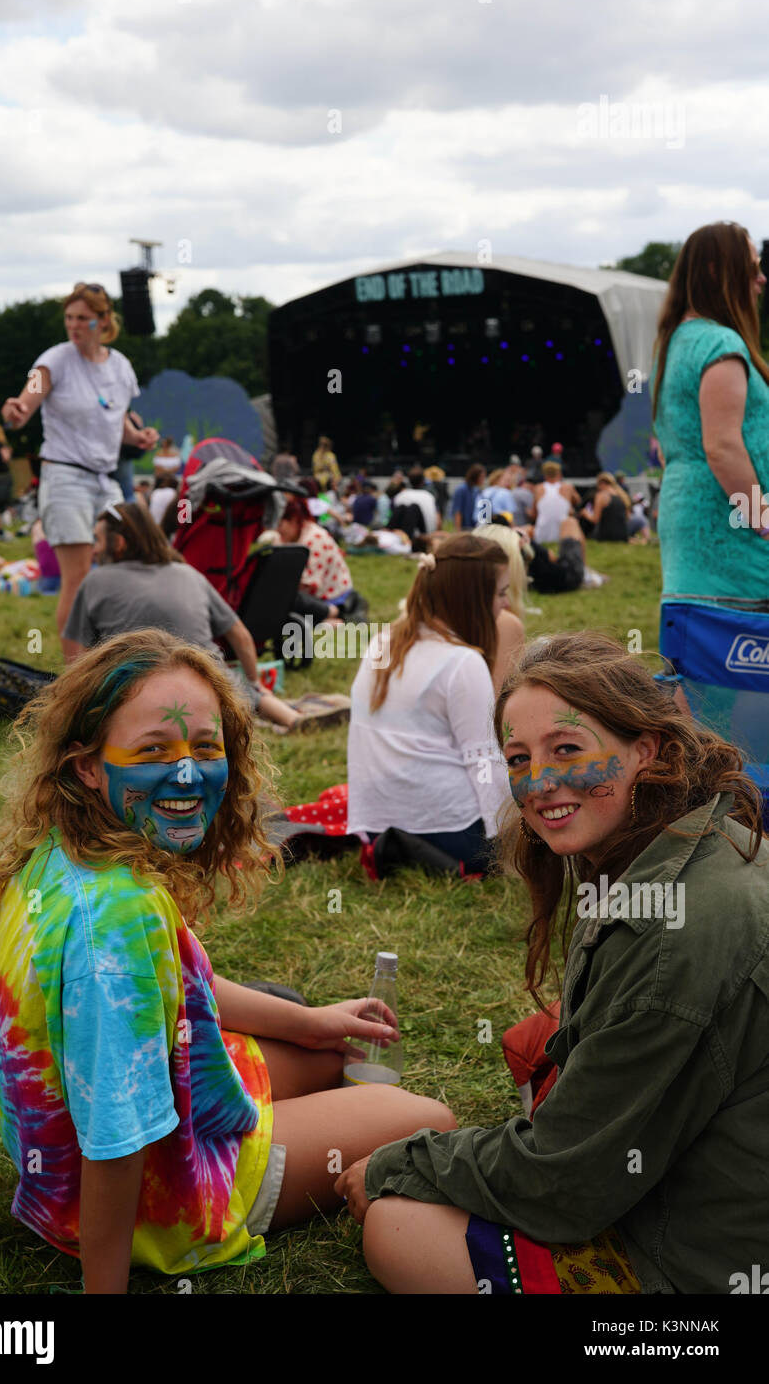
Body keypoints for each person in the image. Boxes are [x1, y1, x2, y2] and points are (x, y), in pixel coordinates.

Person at [0, 629, 456, 1294]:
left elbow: (189, 986)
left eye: (204, 747)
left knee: (334, 1054)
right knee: (429, 1119)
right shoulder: (116, 922)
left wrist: (311, 1025)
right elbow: (115, 1136)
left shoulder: (68, 853)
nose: (187, 772)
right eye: (155, 750)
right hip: (158, 1202)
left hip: (65, 1167)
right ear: (89, 765)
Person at [338, 631, 769, 1296]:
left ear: (645, 749)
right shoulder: (705, 839)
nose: (538, 782)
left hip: (702, 1264)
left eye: (567, 749)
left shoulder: (671, 939)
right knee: (533, 1045)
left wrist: (394, 1166)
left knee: (398, 1228)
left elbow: (566, 1180)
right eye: (519, 758)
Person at [63, 502, 340, 731]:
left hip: (138, 693)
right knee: (239, 687)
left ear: (120, 543)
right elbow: (241, 636)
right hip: (210, 684)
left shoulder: (96, 582)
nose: (94, 549)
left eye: (97, 540)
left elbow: (76, 654)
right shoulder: (189, 574)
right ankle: (290, 719)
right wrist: (255, 684)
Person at [0, 282, 159, 661]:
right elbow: (29, 396)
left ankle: (115, 657)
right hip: (65, 477)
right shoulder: (52, 361)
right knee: (78, 575)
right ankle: (78, 675)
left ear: (103, 321)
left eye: (82, 319)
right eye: (69, 318)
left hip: (106, 480)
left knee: (125, 561)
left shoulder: (120, 366)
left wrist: (138, 437)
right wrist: (17, 411)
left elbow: (115, 414)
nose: (73, 325)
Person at [346, 535, 513, 870]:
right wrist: (510, 837)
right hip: (450, 833)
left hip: (375, 826)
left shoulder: (383, 641)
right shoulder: (462, 662)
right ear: (474, 599)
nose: (506, 605)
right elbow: (485, 764)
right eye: (501, 592)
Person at [652, 221, 769, 610]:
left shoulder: (674, 344)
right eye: (752, 268)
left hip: (693, 552)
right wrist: (764, 520)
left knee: (698, 666)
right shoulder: (720, 343)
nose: (761, 279)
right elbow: (721, 447)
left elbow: (674, 449)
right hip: (736, 561)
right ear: (718, 273)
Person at [276, 497, 353, 613]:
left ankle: (330, 616)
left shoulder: (315, 539)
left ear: (294, 520)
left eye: (280, 525)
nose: (277, 530)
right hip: (313, 594)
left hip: (332, 597)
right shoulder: (289, 537)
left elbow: (308, 585)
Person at [520, 516, 586, 594]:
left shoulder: (512, 546)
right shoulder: (525, 540)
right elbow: (551, 556)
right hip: (568, 577)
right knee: (570, 522)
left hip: (544, 583)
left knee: (567, 524)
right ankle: (586, 572)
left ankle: (585, 571)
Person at [532, 460, 578, 543]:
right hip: (564, 534)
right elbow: (578, 501)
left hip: (541, 534)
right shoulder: (568, 487)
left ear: (544, 474)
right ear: (559, 474)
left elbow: (534, 513)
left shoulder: (538, 488)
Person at [580, 472, 630, 542]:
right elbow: (628, 517)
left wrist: (585, 513)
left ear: (601, 483)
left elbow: (595, 519)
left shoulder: (601, 495)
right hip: (623, 535)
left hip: (606, 535)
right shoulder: (622, 496)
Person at [392, 466, 439, 535]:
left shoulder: (400, 496)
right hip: (426, 536)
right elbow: (438, 520)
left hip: (406, 537)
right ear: (423, 480)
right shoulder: (429, 496)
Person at [451, 464, 487, 531]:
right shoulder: (461, 490)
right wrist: (458, 530)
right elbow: (457, 511)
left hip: (475, 527)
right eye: (482, 477)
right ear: (475, 476)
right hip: (464, 528)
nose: (483, 480)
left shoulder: (477, 491)